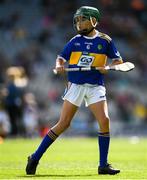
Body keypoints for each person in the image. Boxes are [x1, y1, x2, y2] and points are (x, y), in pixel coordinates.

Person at [26, 6, 123, 175]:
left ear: (94, 20)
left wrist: (107, 67)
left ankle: (103, 165)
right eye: (77, 20)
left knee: (105, 120)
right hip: (75, 85)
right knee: (64, 124)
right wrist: (59, 66)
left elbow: (118, 62)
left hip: (95, 86)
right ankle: (35, 157)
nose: (79, 23)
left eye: (83, 19)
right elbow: (61, 58)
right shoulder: (75, 40)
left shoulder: (105, 40)